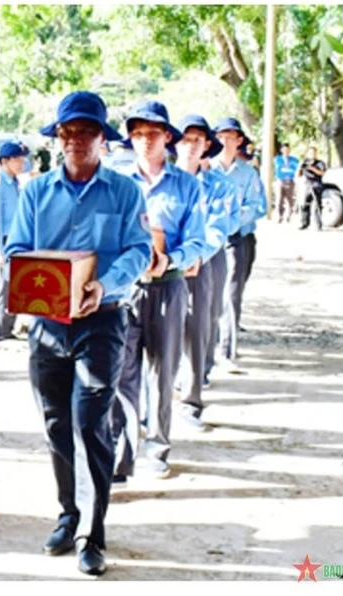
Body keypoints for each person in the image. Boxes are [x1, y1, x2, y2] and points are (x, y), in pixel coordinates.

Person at [5, 91, 151, 576]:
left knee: (91, 423)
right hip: (48, 325)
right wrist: (32, 282)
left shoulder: (125, 192)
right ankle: (68, 514)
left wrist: (102, 283)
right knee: (55, 423)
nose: (74, 142)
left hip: (103, 320)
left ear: (102, 140)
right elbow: (17, 249)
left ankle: (94, 531)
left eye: (85, 133)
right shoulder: (35, 193)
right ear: (57, 139)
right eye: (67, 134)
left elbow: (136, 252)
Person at [111, 100, 205, 482]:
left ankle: (158, 447)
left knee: (162, 372)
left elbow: (197, 240)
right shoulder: (117, 183)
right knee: (122, 372)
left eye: (152, 133)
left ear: (168, 137)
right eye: (137, 134)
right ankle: (122, 453)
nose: (145, 141)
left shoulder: (186, 186)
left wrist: (172, 259)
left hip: (168, 287)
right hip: (126, 289)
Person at [173, 115, 233, 430]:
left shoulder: (217, 185)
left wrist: (195, 256)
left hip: (200, 266)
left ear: (207, 145)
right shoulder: (164, 179)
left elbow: (217, 229)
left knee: (197, 331)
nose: (190, 146)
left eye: (197, 140)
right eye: (184, 139)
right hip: (163, 270)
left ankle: (191, 400)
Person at [211, 117, 267, 368]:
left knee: (231, 293)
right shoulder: (206, 170)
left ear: (239, 140)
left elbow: (257, 206)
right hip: (207, 240)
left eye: (230, 137)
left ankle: (226, 351)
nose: (224, 141)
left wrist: (229, 222)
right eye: (220, 136)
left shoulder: (248, 173)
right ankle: (205, 348)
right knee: (205, 294)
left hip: (237, 237)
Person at [0, 141, 28, 343]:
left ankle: (8, 328)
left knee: (15, 286)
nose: (22, 163)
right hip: (4, 241)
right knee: (2, 287)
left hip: (16, 241)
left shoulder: (15, 183)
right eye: (18, 159)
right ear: (5, 161)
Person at [297, 146, 326, 231]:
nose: (312, 154)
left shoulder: (320, 163)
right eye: (310, 153)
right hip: (306, 185)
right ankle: (304, 223)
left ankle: (318, 224)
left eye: (314, 153)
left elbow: (322, 173)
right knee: (304, 205)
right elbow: (299, 175)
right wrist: (299, 167)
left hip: (316, 185)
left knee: (316, 205)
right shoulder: (304, 163)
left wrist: (312, 168)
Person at [274, 142, 300, 224]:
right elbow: (279, 169)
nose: (286, 151)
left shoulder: (294, 160)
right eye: (284, 149)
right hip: (280, 180)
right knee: (279, 199)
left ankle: (289, 216)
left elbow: (295, 169)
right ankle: (279, 215)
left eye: (288, 149)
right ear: (281, 150)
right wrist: (287, 170)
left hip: (290, 180)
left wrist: (289, 171)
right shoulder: (277, 159)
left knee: (290, 199)